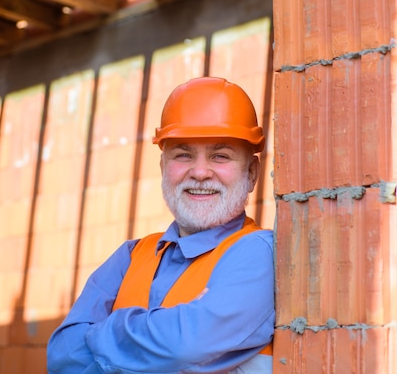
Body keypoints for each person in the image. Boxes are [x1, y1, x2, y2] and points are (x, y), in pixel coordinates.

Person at [47, 77, 275, 373]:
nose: (201, 172)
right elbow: (62, 357)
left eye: (220, 156)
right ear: (163, 168)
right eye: (183, 155)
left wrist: (102, 332)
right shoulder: (131, 256)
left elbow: (186, 346)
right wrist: (162, 338)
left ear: (252, 173)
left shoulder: (258, 253)